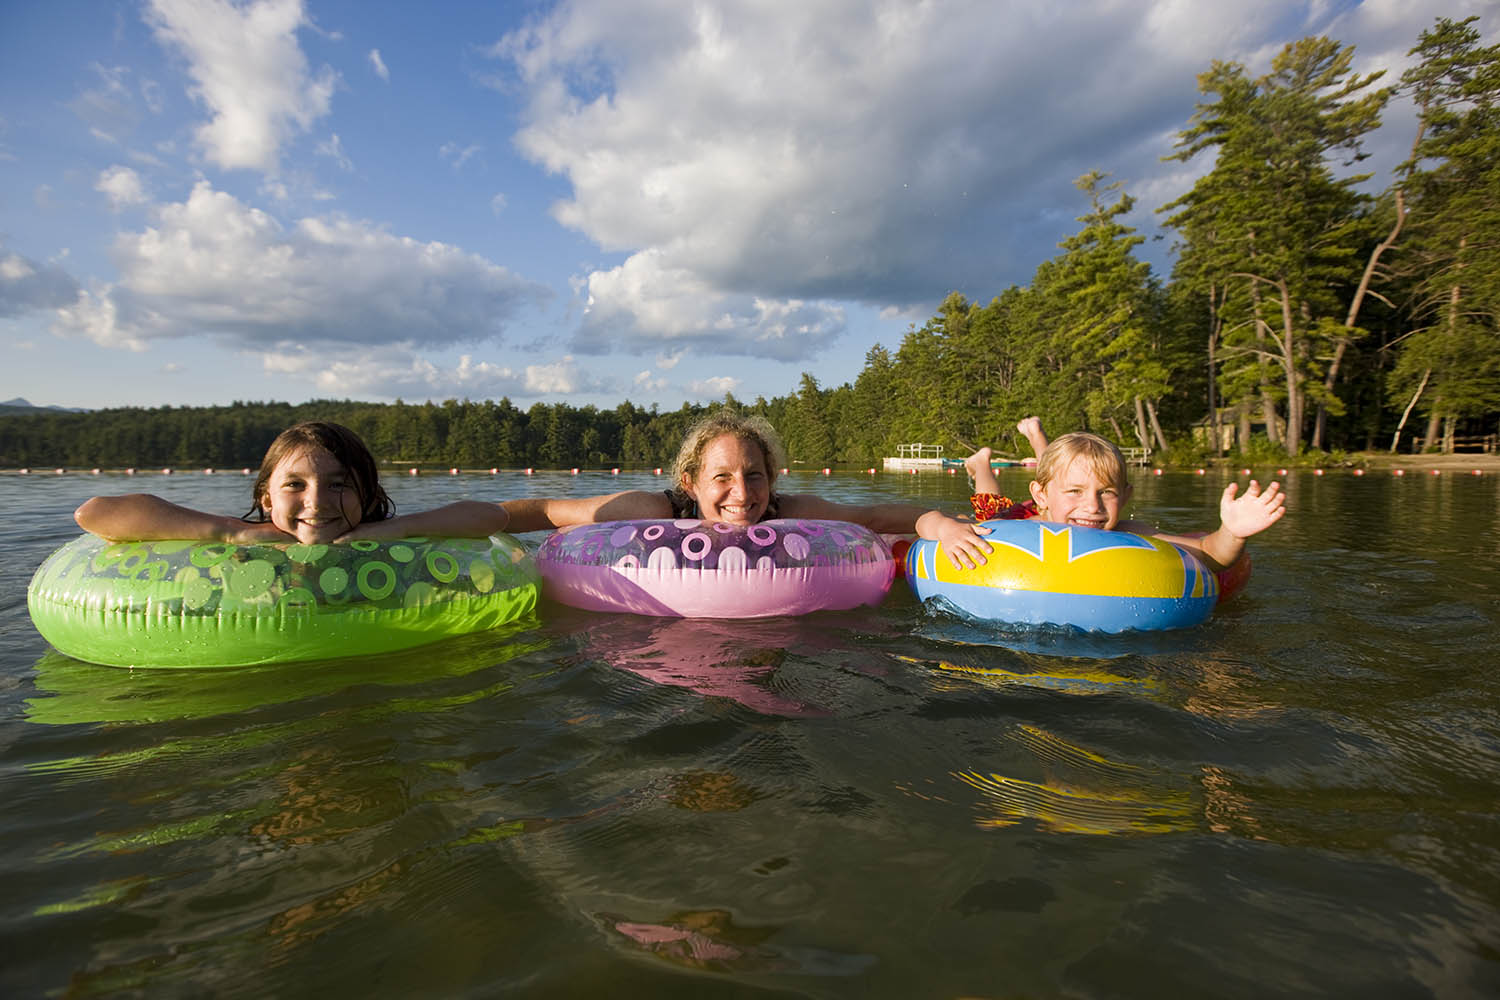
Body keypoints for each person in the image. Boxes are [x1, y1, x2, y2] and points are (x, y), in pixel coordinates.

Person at [501, 409, 988, 566]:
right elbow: (542, 510)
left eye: (754, 475)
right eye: (722, 477)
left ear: (771, 478)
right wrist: (421, 525)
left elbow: (880, 518)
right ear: (690, 483)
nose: (742, 493)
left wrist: (942, 525)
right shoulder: (653, 509)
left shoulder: (788, 510)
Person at [75, 421, 510, 544]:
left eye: (340, 484)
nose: (317, 502)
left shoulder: (384, 538)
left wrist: (395, 528)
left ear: (371, 496)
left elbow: (489, 516)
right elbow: (93, 513)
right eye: (295, 485)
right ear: (266, 497)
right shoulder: (247, 537)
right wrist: (231, 534)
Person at [944, 417, 1283, 572]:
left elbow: (1212, 553)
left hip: (1056, 504)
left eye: (1106, 493)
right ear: (1041, 496)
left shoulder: (1128, 533)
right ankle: (981, 462)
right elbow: (953, 529)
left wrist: (1233, 532)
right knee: (989, 507)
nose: (1093, 507)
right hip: (1023, 517)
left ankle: (1037, 436)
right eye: (1078, 491)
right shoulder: (1015, 529)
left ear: (1125, 497)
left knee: (1062, 475)